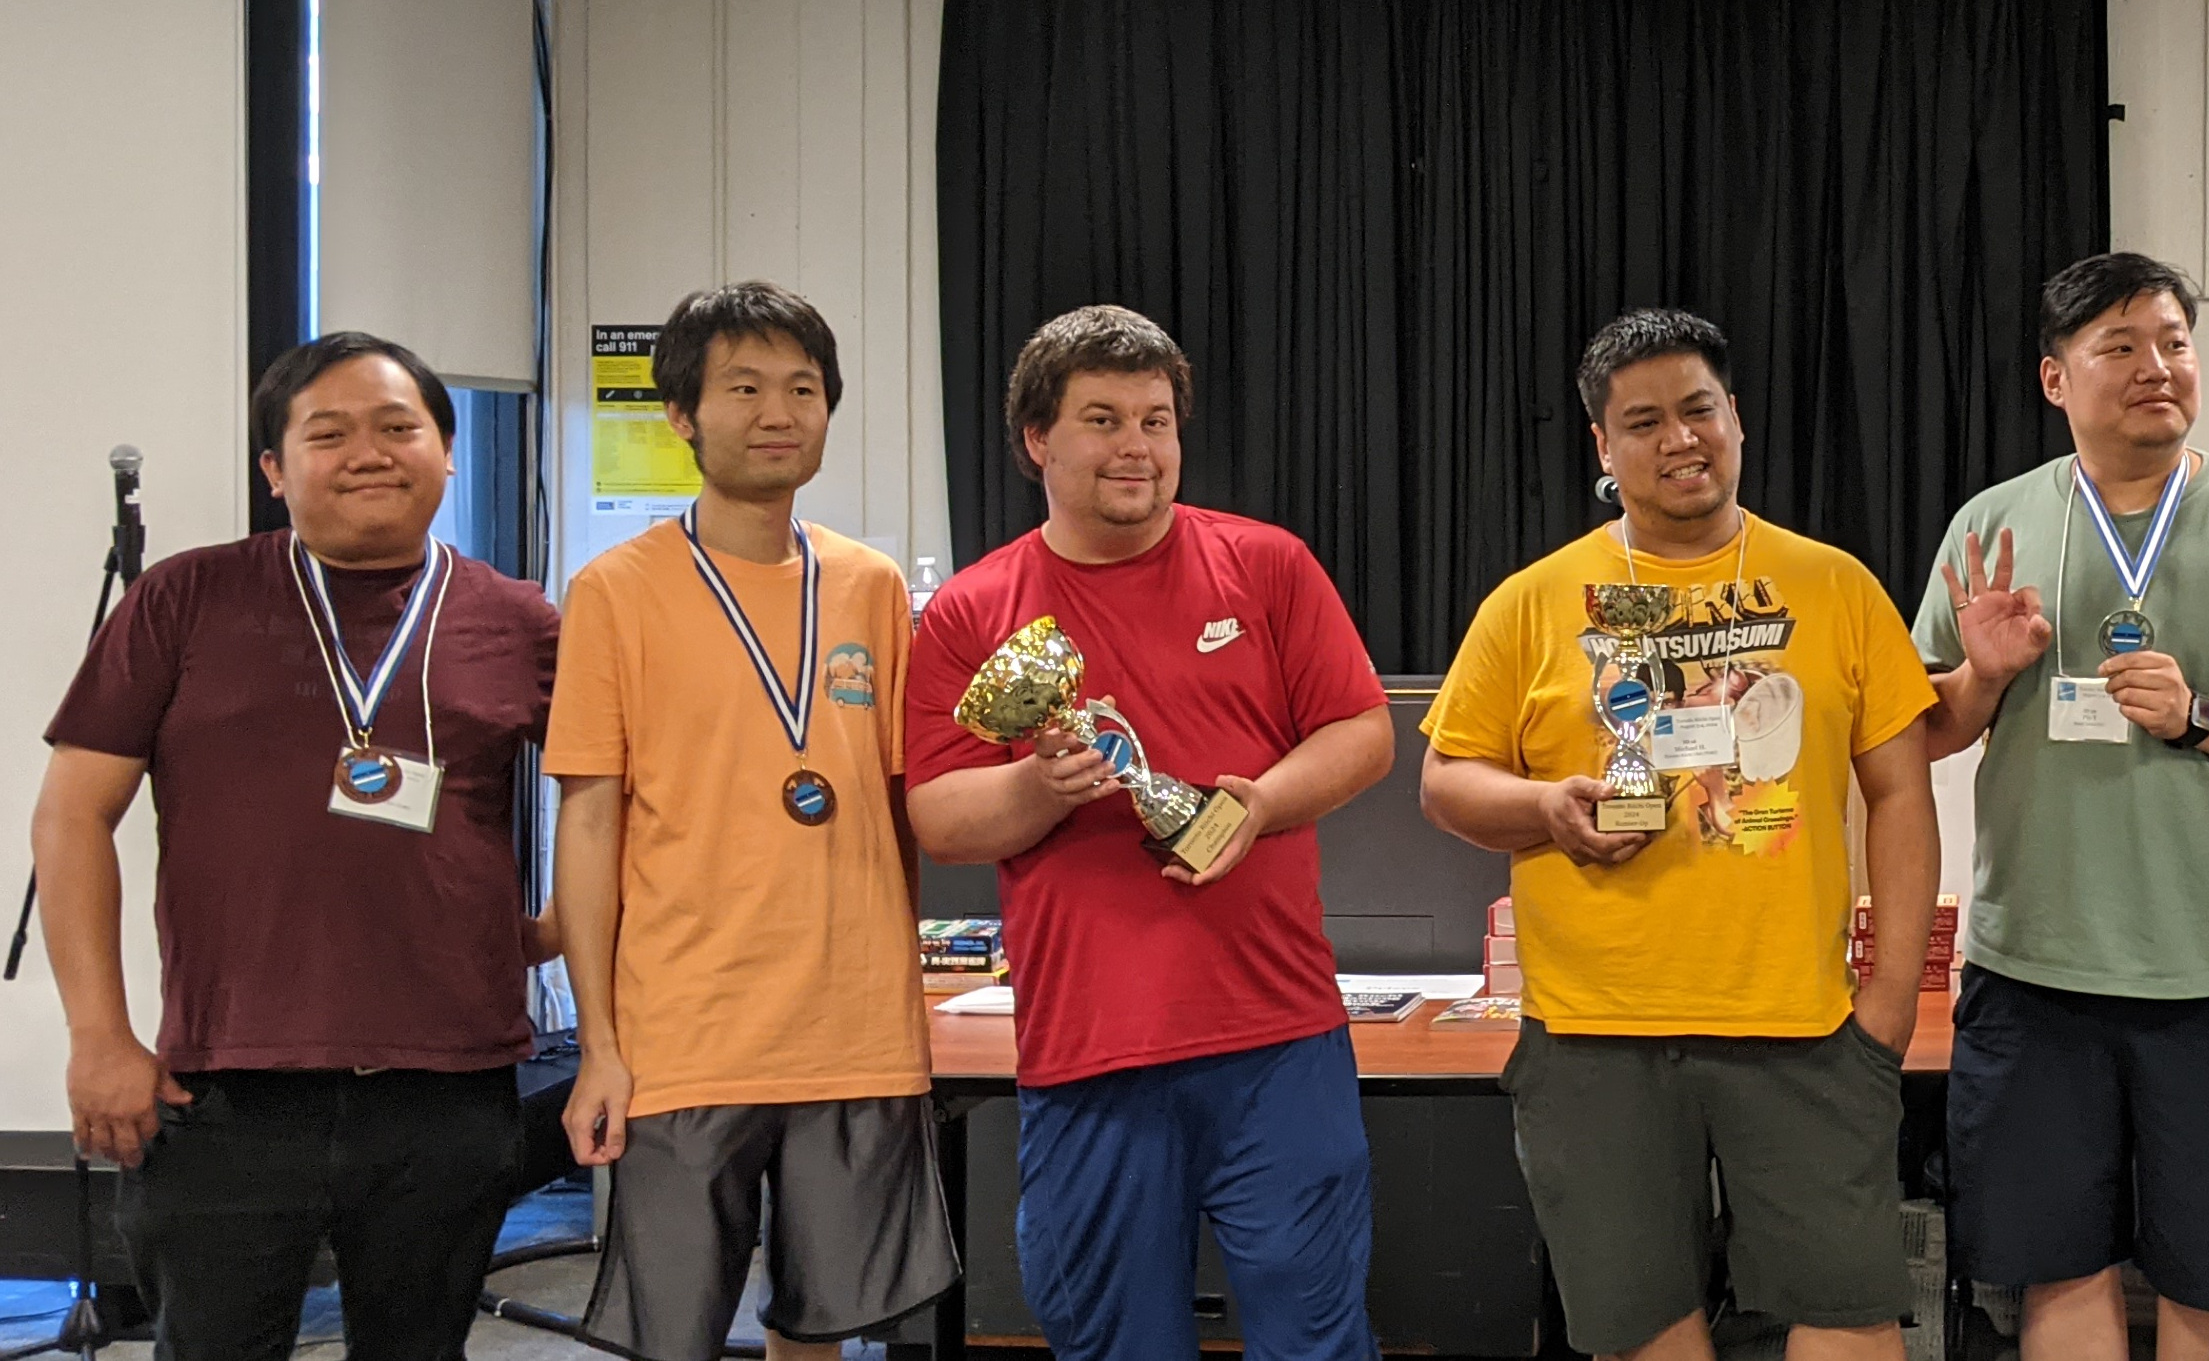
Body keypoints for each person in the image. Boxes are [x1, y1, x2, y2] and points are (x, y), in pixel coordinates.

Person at [1419, 308, 1943, 1361]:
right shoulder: (1532, 603)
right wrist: (1543, 809)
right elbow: (1447, 780)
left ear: (1737, 420)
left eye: (1699, 409)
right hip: (1596, 1042)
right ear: (1604, 449)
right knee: (1641, 1332)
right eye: (1644, 421)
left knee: (1849, 1318)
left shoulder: (1834, 585)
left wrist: (1887, 1000)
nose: (1680, 439)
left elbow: (1899, 789)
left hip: (1801, 1027)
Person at [33, 333, 559, 1361]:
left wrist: (556, 930)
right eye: (329, 434)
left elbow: (612, 804)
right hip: (227, 1091)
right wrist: (99, 1037)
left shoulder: (520, 621)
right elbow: (70, 815)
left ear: (447, 453)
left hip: (447, 1092)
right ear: (275, 471)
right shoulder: (183, 601)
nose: (368, 452)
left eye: (398, 427)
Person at [1916, 253, 2209, 1361]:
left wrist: (2203, 716)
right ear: (2053, 379)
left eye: (2173, 342)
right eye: (2118, 347)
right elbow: (1922, 731)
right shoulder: (1994, 524)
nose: (2155, 368)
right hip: (2035, 973)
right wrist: (1982, 674)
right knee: (2058, 1283)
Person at [902, 304, 1395, 1361]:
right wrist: (1041, 788)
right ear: (1039, 439)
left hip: (1276, 1035)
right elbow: (939, 815)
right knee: (1117, 1345)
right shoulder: (969, 613)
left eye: (1157, 420)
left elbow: (1360, 732)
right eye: (1103, 419)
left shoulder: (1265, 567)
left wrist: (1259, 804)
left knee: (1315, 1342)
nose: (1138, 446)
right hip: (1090, 1053)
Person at [546, 281, 954, 1361]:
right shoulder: (614, 592)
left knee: (819, 1332)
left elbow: (913, 804)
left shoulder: (869, 587)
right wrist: (598, 1045)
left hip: (853, 1033)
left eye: (803, 388)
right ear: (682, 415)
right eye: (744, 387)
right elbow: (588, 826)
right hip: (687, 1031)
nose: (778, 411)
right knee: (671, 1334)